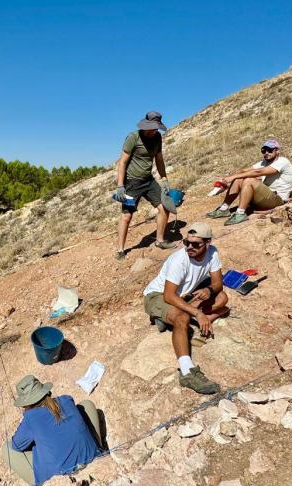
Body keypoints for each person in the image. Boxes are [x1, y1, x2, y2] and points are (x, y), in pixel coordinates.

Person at [142, 222, 228, 394]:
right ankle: (187, 372)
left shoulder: (212, 253)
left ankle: (168, 320)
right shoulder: (179, 260)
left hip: (183, 295)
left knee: (222, 298)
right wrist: (198, 312)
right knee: (182, 317)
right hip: (157, 296)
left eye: (196, 244)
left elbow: (218, 283)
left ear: (208, 242)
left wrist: (208, 289)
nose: (190, 247)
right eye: (186, 242)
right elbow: (168, 296)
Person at [2, 375, 101, 486]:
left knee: (7, 448)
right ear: (45, 391)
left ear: (27, 403)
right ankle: (97, 449)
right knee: (86, 405)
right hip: (92, 460)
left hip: (59, 480)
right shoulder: (67, 399)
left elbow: (17, 445)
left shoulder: (30, 418)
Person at [114, 111, 175, 260]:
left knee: (164, 208)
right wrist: (120, 185)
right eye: (151, 128)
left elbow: (159, 159)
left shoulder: (157, 138)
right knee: (127, 216)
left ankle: (159, 241)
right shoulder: (133, 137)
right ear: (145, 125)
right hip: (132, 183)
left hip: (149, 180)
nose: (153, 131)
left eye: (156, 128)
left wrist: (164, 179)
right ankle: (120, 250)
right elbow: (122, 162)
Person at [206, 139, 292, 226]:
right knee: (239, 179)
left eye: (270, 150)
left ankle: (240, 214)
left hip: (277, 200)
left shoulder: (283, 161)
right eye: (264, 151)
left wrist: (233, 177)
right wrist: (225, 181)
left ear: (277, 151)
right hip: (265, 198)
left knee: (249, 180)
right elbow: (242, 170)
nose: (266, 153)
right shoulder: (264, 162)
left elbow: (258, 172)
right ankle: (223, 209)